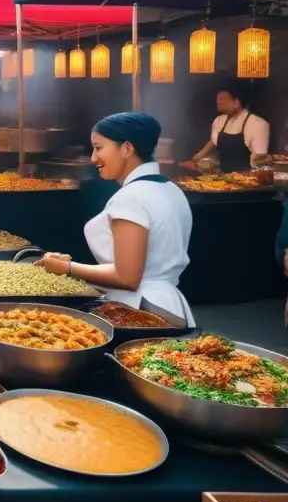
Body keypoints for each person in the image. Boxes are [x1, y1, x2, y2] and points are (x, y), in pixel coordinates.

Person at [35, 112, 195, 325]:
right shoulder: (171, 189)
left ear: (127, 149)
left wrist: (68, 268)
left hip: (140, 310)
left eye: (99, 147)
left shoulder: (131, 197)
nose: (93, 158)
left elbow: (127, 276)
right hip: (169, 306)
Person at [182, 85, 270, 173]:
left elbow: (260, 161)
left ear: (235, 103)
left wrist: (247, 179)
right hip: (223, 178)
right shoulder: (219, 120)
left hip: (247, 180)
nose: (217, 102)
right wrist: (195, 159)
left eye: (222, 99)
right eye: (217, 99)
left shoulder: (258, 124)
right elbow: (213, 142)